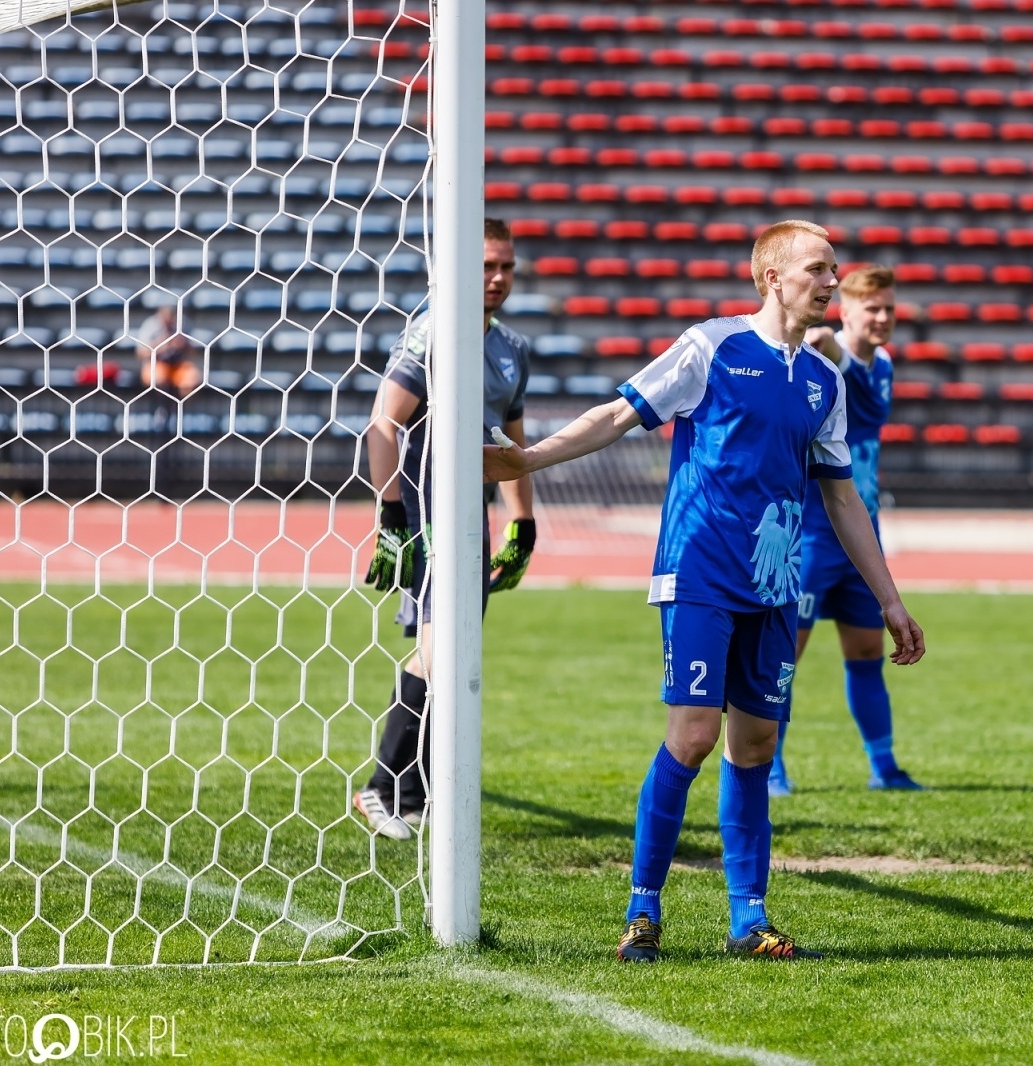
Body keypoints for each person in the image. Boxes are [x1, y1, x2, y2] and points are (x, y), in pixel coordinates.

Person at [484, 220, 926, 963]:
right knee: (693, 737)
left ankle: (749, 919)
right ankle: (642, 910)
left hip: (774, 584)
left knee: (756, 745)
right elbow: (617, 415)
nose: (831, 281)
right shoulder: (712, 346)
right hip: (699, 572)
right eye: (818, 269)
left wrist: (890, 599)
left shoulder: (825, 380)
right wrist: (529, 459)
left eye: (834, 269)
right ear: (772, 278)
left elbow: (843, 497)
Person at [353, 217, 537, 841]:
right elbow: (383, 422)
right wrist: (391, 515)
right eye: (486, 265)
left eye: (506, 266)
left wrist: (523, 522)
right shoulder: (431, 333)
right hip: (425, 513)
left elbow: (511, 445)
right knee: (441, 651)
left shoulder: (511, 349)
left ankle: (413, 794)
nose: (498, 277)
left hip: (470, 518)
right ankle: (381, 789)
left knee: (451, 653)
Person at [769, 264, 922, 795]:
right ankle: (769, 765)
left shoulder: (884, 363)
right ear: (847, 311)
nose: (882, 317)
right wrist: (817, 340)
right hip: (812, 536)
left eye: (889, 308)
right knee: (783, 659)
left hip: (863, 539)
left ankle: (885, 767)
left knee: (866, 654)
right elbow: (825, 345)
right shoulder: (833, 353)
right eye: (871, 308)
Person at [134, 303, 201, 398]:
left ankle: (181, 404)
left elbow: (195, 351)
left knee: (192, 378)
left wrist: (182, 344)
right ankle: (160, 405)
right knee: (158, 378)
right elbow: (140, 353)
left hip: (178, 364)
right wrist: (160, 346)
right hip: (156, 363)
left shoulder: (184, 324)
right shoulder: (150, 325)